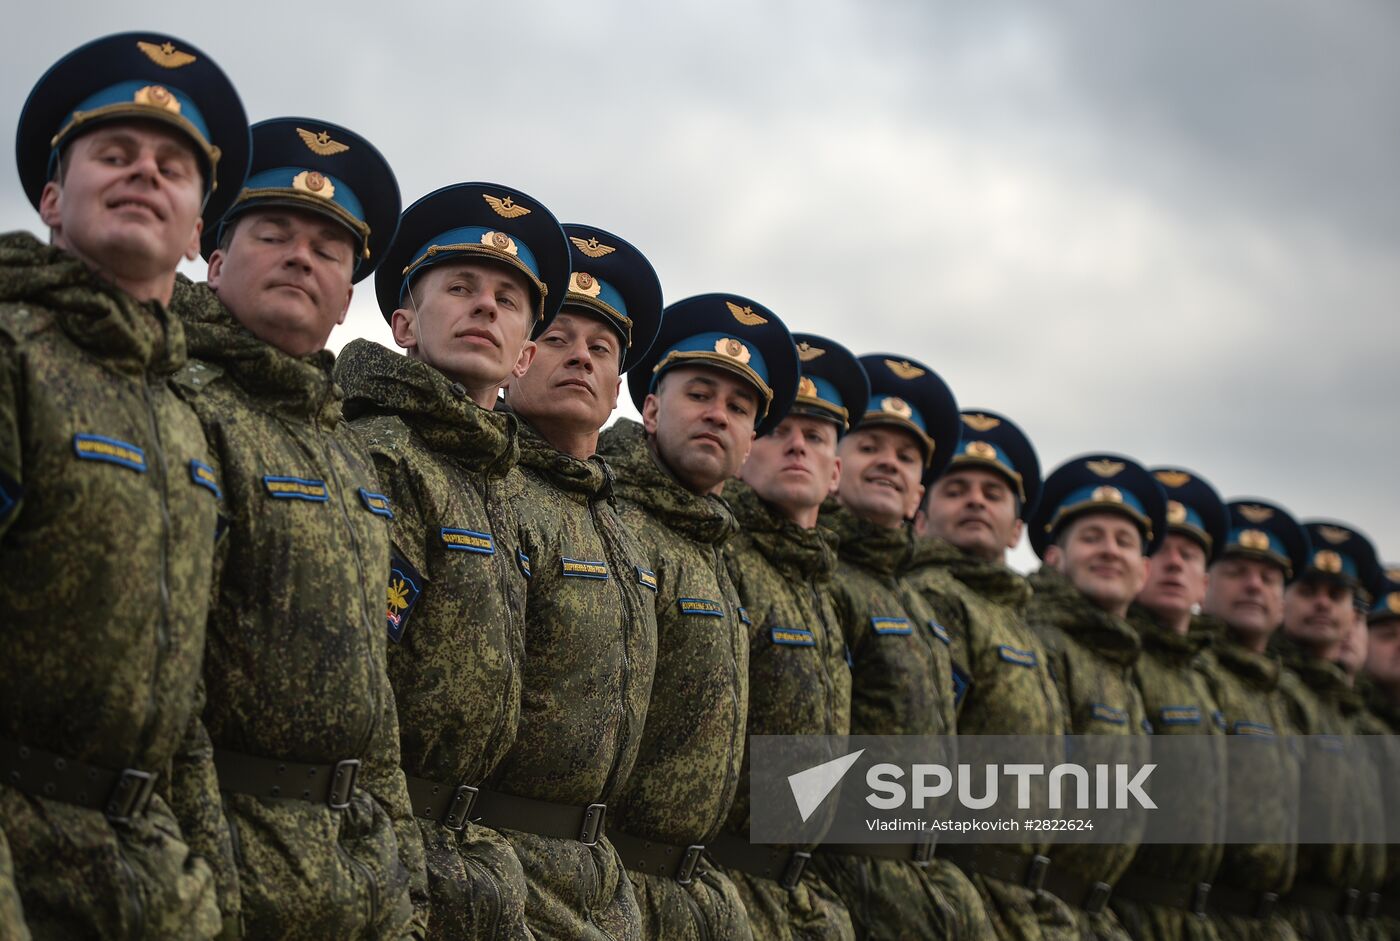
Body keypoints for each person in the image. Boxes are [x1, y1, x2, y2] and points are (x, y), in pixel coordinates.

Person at [2, 31, 250, 939]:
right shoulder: (12, 356)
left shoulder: (183, 415)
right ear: (52, 198)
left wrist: (208, 899)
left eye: (173, 168)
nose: (145, 171)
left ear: (195, 235)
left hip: (148, 880)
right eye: (115, 155)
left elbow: (182, 701)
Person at [170, 116, 428, 938]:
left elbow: (372, 699)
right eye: (272, 233)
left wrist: (812, 880)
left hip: (364, 867)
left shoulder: (345, 455)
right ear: (212, 263)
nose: (299, 256)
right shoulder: (182, 405)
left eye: (326, 248)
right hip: (230, 858)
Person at [335, 181, 570, 940]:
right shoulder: (384, 453)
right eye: (460, 287)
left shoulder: (503, 489)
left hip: (476, 865)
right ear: (403, 322)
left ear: (525, 354)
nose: (484, 307)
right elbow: (359, 693)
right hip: (393, 857)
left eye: (507, 299)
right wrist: (392, 873)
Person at [597, 293, 799, 941]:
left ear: (749, 443)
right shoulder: (613, 513)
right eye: (699, 395)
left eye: (739, 408)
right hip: (611, 884)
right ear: (651, 409)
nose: (718, 414)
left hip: (694, 895)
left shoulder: (719, 551)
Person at [492, 224, 665, 939]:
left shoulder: (623, 526)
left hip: (602, 882)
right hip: (504, 869)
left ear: (620, 388)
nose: (580, 360)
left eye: (600, 350)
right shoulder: (491, 486)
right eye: (559, 339)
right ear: (520, 354)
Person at [807, 354, 992, 940]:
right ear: (835, 467)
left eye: (907, 457)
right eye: (870, 447)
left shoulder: (917, 600)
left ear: (919, 494)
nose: (889, 462)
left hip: (925, 886)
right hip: (847, 878)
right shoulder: (820, 577)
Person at [707, 333, 865, 940]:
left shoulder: (824, 589)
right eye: (780, 431)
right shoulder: (723, 554)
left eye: (817, 437)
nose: (797, 446)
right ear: (746, 446)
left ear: (835, 475)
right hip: (726, 880)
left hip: (804, 896)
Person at [908, 410, 1077, 941]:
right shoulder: (934, 596)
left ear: (1018, 529)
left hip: (1015, 895)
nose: (976, 500)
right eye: (956, 489)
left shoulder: (1019, 621)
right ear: (921, 514)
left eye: (993, 493)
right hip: (958, 882)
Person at [1024, 454, 1165, 941]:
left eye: (1124, 542)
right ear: (1053, 556)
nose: (1109, 551)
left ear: (1143, 571)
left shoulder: (1121, 662)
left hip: (1092, 914)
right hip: (1038, 908)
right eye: (1091, 538)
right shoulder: (1039, 639)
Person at [1110, 468, 1229, 941]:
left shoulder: (1206, 679)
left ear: (1204, 583)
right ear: (1138, 565)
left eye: (1190, 554)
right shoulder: (1116, 657)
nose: (1174, 564)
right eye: (1160, 550)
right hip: (1125, 908)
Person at [1194, 499, 1308, 941]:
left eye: (1268, 578)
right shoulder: (1198, 673)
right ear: (1205, 584)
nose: (1253, 586)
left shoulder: (1280, 697)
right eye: (1236, 572)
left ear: (1282, 601)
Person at [1273, 521, 1382, 941]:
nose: (1322, 605)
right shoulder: (1276, 689)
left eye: (1336, 596)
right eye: (1307, 591)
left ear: (1354, 616)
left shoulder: (1346, 711)